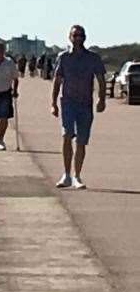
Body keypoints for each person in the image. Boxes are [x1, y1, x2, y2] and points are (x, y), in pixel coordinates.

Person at [52, 25, 106, 190]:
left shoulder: (93, 58)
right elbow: (57, 80)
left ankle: (77, 176)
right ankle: (66, 174)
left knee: (81, 140)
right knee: (67, 134)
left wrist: (102, 99)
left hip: (85, 104)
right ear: (70, 37)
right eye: (75, 35)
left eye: (81, 36)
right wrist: (53, 103)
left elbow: (101, 79)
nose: (78, 39)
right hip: (68, 102)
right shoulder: (64, 57)